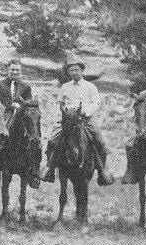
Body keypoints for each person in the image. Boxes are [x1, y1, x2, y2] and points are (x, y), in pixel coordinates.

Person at [39, 55, 116, 186]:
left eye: (76, 70)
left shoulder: (90, 87)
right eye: (71, 70)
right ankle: (49, 168)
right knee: (52, 139)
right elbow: (60, 102)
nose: (74, 72)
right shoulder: (65, 87)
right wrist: (65, 110)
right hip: (68, 118)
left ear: (81, 71)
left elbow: (96, 103)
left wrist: (85, 111)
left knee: (99, 141)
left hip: (85, 118)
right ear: (68, 73)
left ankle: (103, 171)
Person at [0, 58, 34, 184]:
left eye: (17, 70)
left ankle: (33, 172)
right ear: (7, 70)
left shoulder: (26, 87)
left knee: (33, 138)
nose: (15, 72)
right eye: (12, 69)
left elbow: (29, 103)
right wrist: (4, 108)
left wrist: (19, 105)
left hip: (19, 118)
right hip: (2, 117)